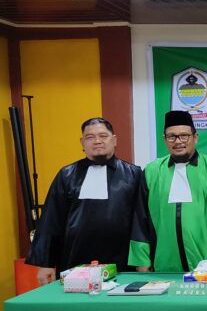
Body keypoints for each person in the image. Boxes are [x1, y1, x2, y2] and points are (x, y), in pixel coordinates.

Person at [26, 117, 142, 284]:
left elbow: (141, 222)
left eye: (103, 135)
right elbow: (51, 221)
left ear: (114, 140)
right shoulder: (66, 175)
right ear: (82, 142)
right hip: (74, 259)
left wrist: (142, 261)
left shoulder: (134, 175)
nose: (97, 141)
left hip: (122, 261)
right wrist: (45, 263)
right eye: (90, 137)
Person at [128, 110, 207, 273]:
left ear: (195, 137)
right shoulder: (151, 172)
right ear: (164, 139)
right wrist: (141, 260)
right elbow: (140, 218)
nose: (178, 141)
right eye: (172, 136)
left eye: (184, 136)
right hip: (162, 265)